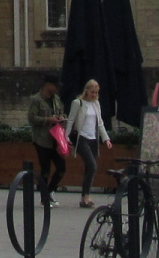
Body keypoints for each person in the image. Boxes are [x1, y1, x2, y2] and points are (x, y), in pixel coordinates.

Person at [68, 78, 114, 207]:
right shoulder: (78, 103)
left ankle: (84, 198)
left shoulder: (96, 104)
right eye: (92, 92)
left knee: (89, 168)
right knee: (93, 166)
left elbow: (100, 123)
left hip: (93, 139)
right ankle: (87, 196)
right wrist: (66, 137)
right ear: (86, 91)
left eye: (96, 92)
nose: (94, 94)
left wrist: (106, 138)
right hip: (82, 138)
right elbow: (71, 120)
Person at [26, 74, 67, 208]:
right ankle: (44, 198)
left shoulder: (56, 99)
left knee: (61, 167)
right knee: (45, 169)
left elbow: (62, 112)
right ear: (47, 85)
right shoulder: (36, 100)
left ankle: (49, 191)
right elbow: (32, 119)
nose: (56, 89)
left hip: (55, 138)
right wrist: (47, 120)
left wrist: (61, 118)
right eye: (54, 86)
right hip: (42, 139)